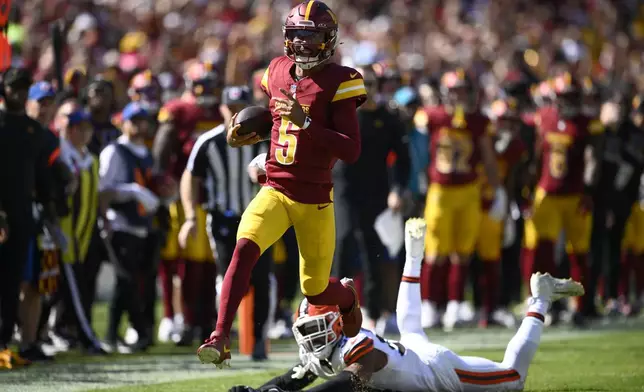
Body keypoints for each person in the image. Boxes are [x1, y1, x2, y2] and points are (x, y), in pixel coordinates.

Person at [198, 0, 367, 368]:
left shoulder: (342, 80)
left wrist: (305, 123)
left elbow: (351, 150)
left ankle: (348, 299)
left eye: (313, 37)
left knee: (315, 288)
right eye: (298, 36)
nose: (304, 45)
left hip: (315, 198)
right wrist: (254, 137)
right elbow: (276, 124)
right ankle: (220, 335)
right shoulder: (275, 71)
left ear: (329, 40)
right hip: (275, 188)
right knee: (243, 249)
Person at [228, 218, 585, 392]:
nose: (308, 339)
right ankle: (413, 258)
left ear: (337, 325)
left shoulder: (356, 348)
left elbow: (352, 385)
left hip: (438, 370)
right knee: (410, 326)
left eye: (313, 330)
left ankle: (540, 299)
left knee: (513, 379)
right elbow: (291, 380)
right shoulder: (333, 348)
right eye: (305, 331)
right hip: (409, 353)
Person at [179, 85, 271, 355]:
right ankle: (224, 335)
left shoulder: (265, 139)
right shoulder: (208, 142)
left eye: (240, 108)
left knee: (263, 279)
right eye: (230, 109)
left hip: (261, 217)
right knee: (227, 277)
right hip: (222, 218)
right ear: (221, 109)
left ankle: (257, 339)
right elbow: (190, 177)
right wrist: (189, 217)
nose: (235, 114)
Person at [421, 69, 505, 331]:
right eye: (454, 91)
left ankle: (455, 303)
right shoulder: (432, 116)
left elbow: (488, 156)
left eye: (462, 91)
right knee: (435, 251)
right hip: (441, 191)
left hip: (468, 189)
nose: (458, 96)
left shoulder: (478, 120)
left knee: (462, 252)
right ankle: (430, 304)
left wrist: (497, 188)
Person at [521, 72, 604, 326]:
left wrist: (588, 191)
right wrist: (527, 189)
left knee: (579, 253)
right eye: (563, 96)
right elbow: (535, 157)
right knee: (542, 252)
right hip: (547, 192)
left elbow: (593, 159)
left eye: (571, 97)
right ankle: (543, 304)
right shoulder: (544, 118)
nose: (567, 101)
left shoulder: (588, 123)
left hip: (575, 195)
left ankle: (580, 306)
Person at [331, 65, 410, 331]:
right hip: (343, 188)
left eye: (371, 84)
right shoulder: (339, 115)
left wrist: (397, 189)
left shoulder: (389, 119)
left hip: (376, 190)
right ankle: (333, 307)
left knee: (372, 248)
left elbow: (403, 159)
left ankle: (375, 312)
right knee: (342, 241)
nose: (365, 91)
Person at [153, 60, 224, 342]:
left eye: (211, 84)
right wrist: (160, 178)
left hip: (214, 199)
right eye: (201, 83)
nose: (206, 90)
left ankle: (205, 320)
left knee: (210, 266)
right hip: (185, 200)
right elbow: (162, 145)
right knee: (184, 264)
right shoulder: (179, 111)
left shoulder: (221, 111)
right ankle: (179, 318)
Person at [0, 67, 55, 369]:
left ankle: (4, 342)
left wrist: (49, 208)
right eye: (13, 88)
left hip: (21, 216)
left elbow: (41, 176)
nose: (19, 94)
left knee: (12, 283)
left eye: (23, 88)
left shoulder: (34, 132)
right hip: (2, 214)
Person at [98, 102, 163, 353]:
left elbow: (152, 188)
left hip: (142, 226)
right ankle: (136, 331)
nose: (138, 125)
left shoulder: (145, 153)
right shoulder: (114, 151)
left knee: (130, 282)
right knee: (125, 281)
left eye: (141, 120)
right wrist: (133, 192)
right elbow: (104, 190)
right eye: (133, 120)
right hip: (119, 223)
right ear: (122, 122)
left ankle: (115, 334)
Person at [475, 98, 527, 328]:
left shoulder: (515, 147)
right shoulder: (478, 139)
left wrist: (507, 204)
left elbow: (511, 178)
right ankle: (475, 306)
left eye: (510, 121)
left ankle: (495, 306)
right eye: (502, 120)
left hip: (495, 203)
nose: (506, 126)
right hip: (473, 201)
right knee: (469, 259)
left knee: (494, 258)